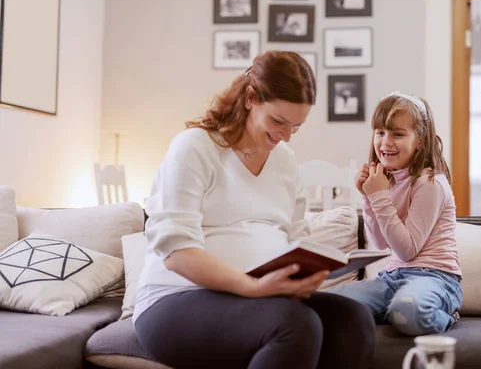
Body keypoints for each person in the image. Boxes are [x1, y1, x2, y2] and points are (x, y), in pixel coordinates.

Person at [133, 50, 375, 369]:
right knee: (294, 323)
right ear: (250, 98)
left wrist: (306, 273)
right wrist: (251, 287)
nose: (286, 136)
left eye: (296, 126)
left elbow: (297, 237)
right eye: (278, 121)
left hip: (259, 296)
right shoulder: (195, 147)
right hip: (173, 297)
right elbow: (177, 251)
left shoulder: (285, 161)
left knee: (353, 319)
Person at [328, 91, 463, 336]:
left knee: (408, 310)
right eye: (380, 132)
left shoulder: (430, 182)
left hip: (435, 278)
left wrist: (379, 197)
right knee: (328, 304)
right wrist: (368, 197)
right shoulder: (387, 180)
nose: (385, 142)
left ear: (420, 140)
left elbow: (406, 250)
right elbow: (381, 244)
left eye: (398, 134)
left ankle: (443, 314)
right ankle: (394, 310)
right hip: (392, 278)